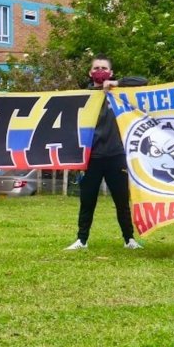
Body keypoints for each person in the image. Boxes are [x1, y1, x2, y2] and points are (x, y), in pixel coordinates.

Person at [65, 55, 147, 250]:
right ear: (89, 73)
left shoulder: (121, 93)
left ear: (110, 72)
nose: (99, 71)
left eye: (103, 68)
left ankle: (129, 239)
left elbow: (143, 81)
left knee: (122, 201)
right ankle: (81, 240)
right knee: (87, 201)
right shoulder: (83, 96)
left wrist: (116, 84)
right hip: (91, 157)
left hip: (116, 156)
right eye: (96, 68)